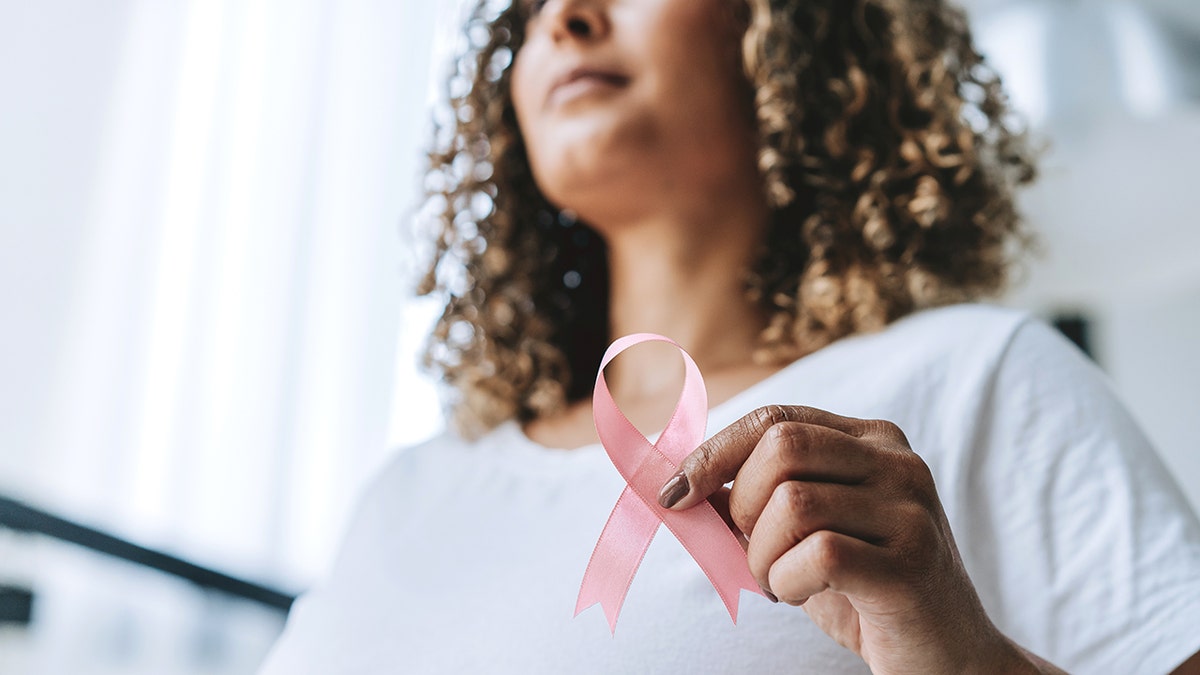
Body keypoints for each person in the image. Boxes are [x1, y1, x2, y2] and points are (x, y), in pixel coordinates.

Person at [260, 0, 1200, 672]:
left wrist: (964, 662)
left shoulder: (979, 377)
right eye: (533, 5)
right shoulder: (406, 496)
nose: (565, 17)